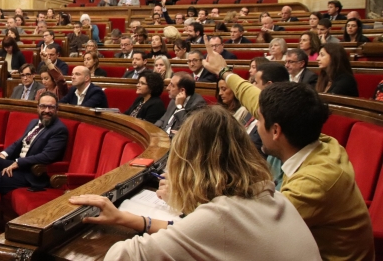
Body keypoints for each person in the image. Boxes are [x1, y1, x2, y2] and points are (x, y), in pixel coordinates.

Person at [69, 106, 321, 261]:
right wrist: (130, 220)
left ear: (190, 164)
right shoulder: (275, 197)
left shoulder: (222, 216)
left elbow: (122, 257)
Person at [201, 45, 375, 260]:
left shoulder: (312, 183)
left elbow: (248, 234)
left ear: (275, 131)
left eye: (259, 120)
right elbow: (254, 98)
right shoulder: (320, 140)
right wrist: (224, 71)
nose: (257, 123)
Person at [0, 92, 69, 218]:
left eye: (51, 107)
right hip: (20, 166)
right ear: (38, 107)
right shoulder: (34, 122)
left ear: (57, 109)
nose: (47, 110)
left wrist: (18, 162)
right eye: (43, 106)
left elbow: (47, 156)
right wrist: (4, 154)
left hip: (32, 173)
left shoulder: (59, 130)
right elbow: (19, 142)